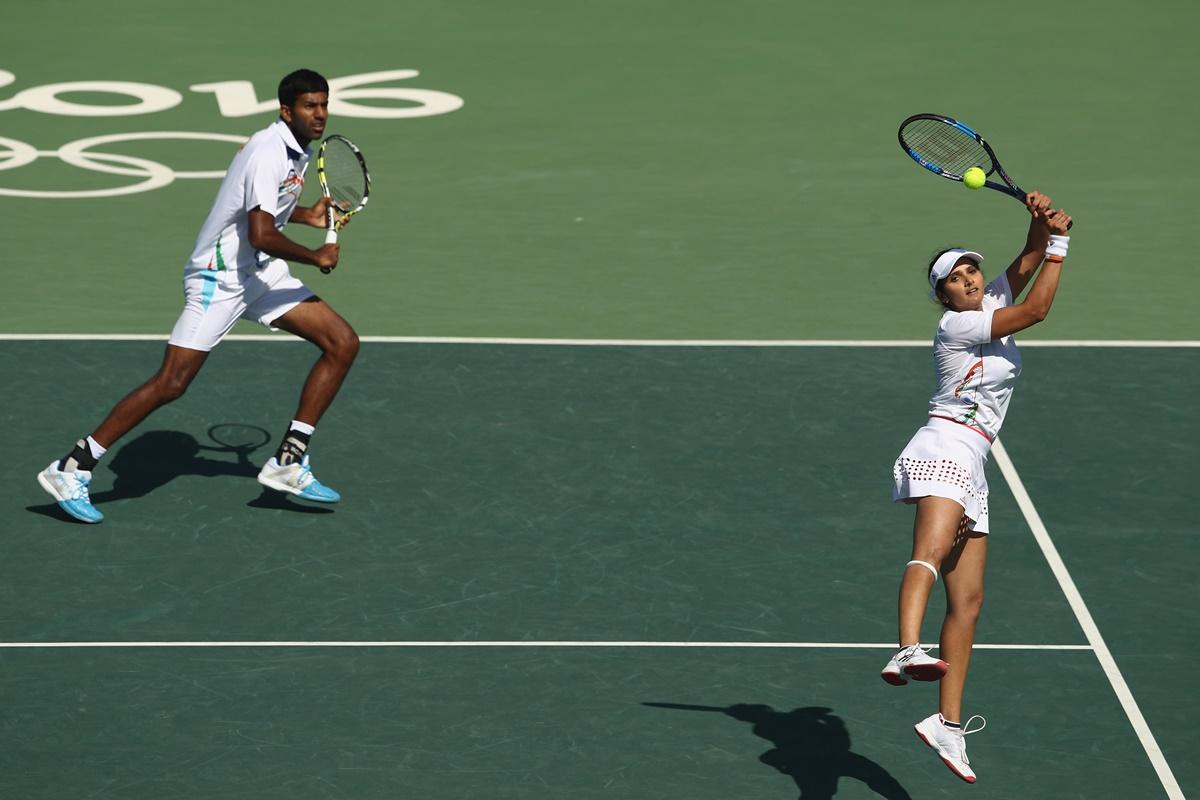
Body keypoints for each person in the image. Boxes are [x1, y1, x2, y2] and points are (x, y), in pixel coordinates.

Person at [37, 68, 360, 523]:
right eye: (310, 106)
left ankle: (289, 460)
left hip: (260, 275)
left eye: (324, 105)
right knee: (172, 382)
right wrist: (316, 256)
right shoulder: (269, 152)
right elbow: (261, 232)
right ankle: (71, 467)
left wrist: (308, 215)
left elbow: (269, 213)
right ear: (287, 110)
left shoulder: (296, 149)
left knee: (341, 343)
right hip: (220, 279)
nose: (320, 114)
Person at [879, 192, 1073, 783]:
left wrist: (1040, 225)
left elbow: (1025, 259)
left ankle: (947, 725)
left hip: (975, 460)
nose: (969, 279)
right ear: (945, 296)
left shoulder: (987, 297)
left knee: (969, 603)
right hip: (944, 447)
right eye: (957, 277)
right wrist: (1059, 248)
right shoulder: (959, 323)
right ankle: (907, 647)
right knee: (930, 553)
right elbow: (1036, 308)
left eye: (972, 270)